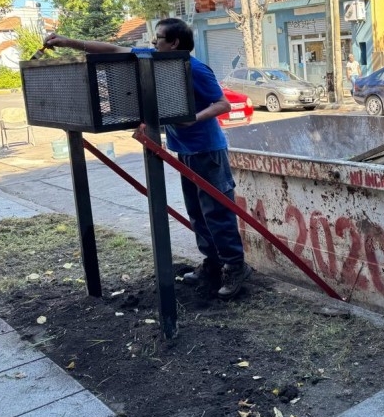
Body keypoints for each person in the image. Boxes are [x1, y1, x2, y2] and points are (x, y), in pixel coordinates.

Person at [43, 18, 251, 299]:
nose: (153, 42)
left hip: (207, 151)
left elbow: (223, 104)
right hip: (184, 152)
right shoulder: (153, 60)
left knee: (216, 213)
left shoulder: (196, 69)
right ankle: (212, 264)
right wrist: (67, 42)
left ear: (174, 43)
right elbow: (113, 50)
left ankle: (235, 267)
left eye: (159, 38)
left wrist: (194, 118)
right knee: (197, 213)